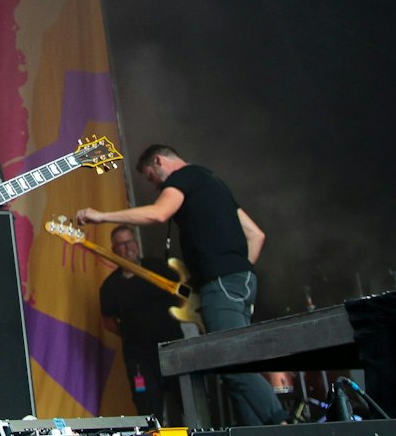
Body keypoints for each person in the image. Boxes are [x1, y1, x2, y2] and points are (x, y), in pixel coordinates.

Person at [77, 145, 283, 426]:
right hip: (240, 283)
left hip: (221, 285)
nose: (156, 186)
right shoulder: (213, 183)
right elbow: (256, 235)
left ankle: (283, 426)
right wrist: (239, 270)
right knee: (233, 368)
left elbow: (158, 214)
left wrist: (101, 216)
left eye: (152, 177)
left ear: (159, 161)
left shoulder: (183, 178)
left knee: (232, 363)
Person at [97, 225, 184, 421]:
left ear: (137, 243)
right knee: (148, 409)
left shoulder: (158, 268)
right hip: (140, 358)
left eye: (130, 241)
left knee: (188, 400)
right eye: (122, 244)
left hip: (174, 349)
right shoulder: (110, 287)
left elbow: (183, 294)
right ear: (113, 250)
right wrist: (132, 333)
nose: (128, 247)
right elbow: (108, 322)